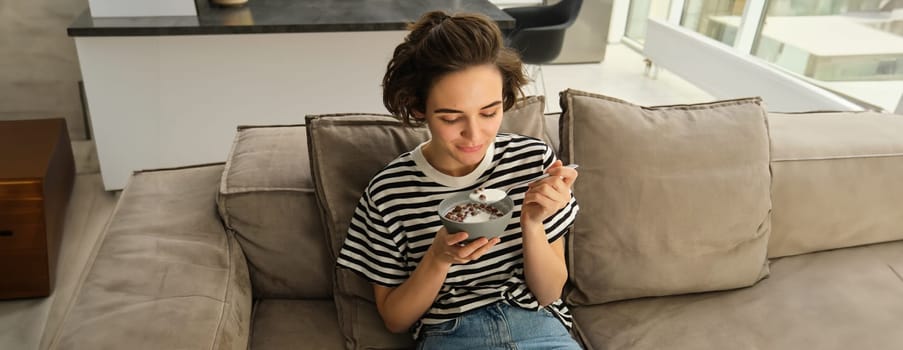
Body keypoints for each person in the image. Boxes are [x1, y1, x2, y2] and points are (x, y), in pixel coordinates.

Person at [336, 10, 581, 349]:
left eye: (489, 112)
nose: (474, 134)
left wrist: (533, 224)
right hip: (450, 335)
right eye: (451, 117)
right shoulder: (388, 192)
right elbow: (395, 319)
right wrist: (438, 258)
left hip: (538, 327)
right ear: (419, 107)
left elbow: (549, 293)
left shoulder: (532, 162)